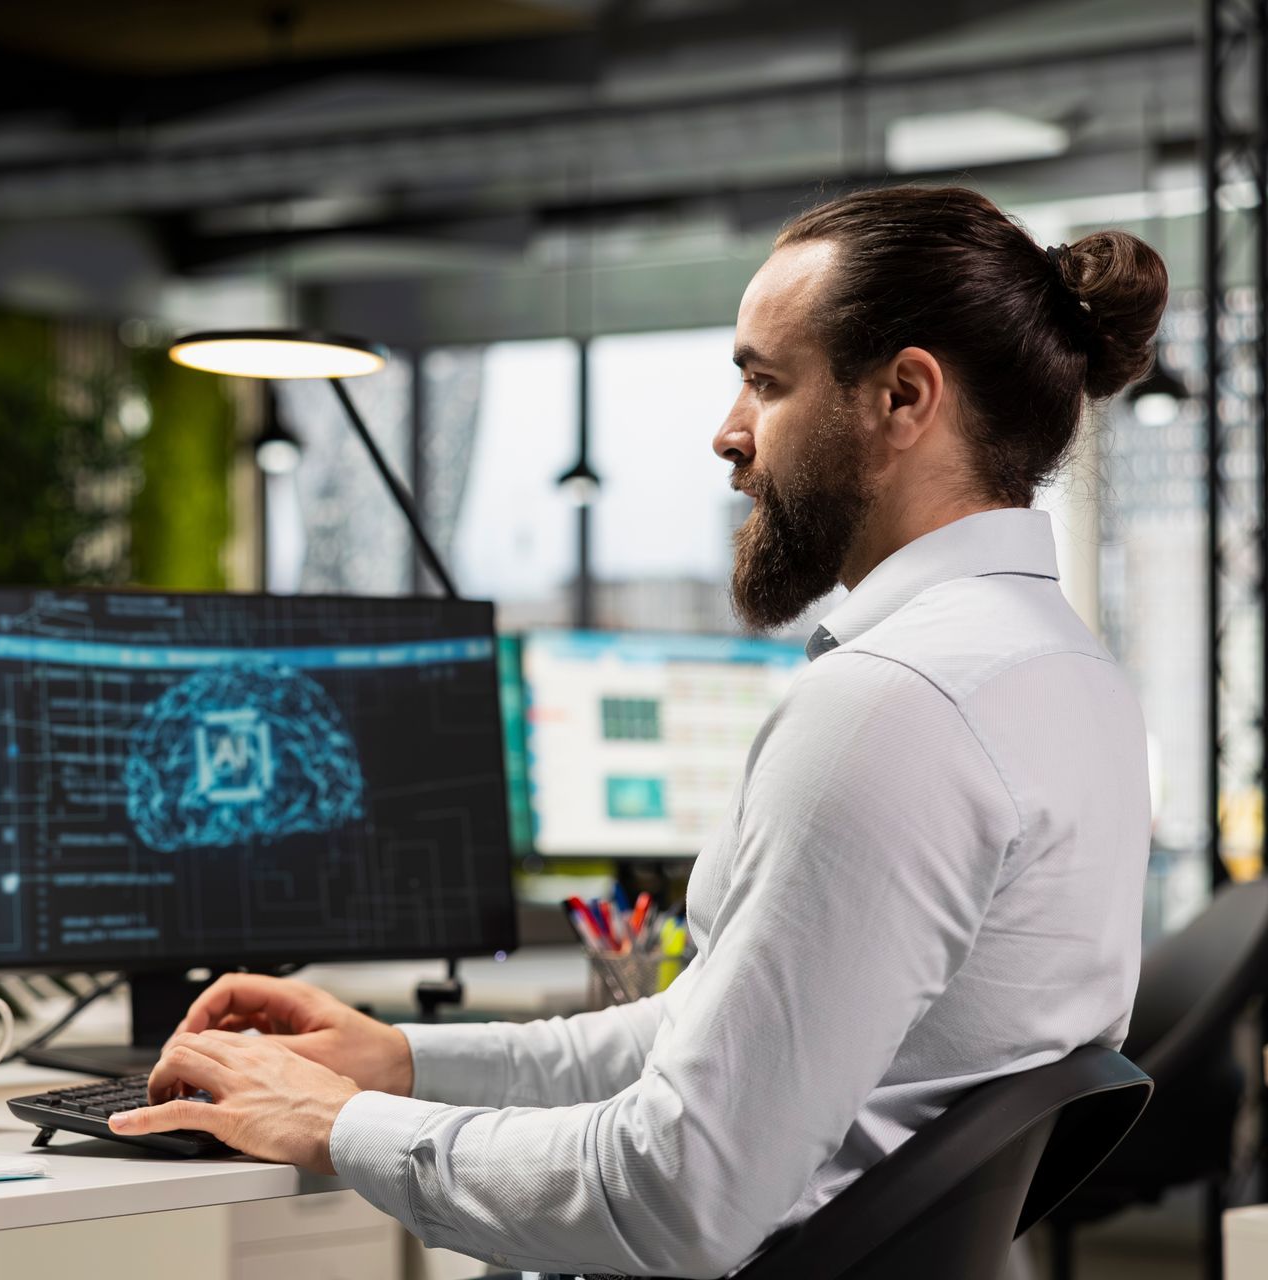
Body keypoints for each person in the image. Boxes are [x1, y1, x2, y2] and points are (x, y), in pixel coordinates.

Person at [109, 185, 1169, 1278]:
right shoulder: (1071, 677)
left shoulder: (897, 703)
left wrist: (336, 1123)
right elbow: (702, 1040)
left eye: (766, 380)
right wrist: (400, 1057)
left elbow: (677, 1191)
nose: (729, 433)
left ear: (903, 397)